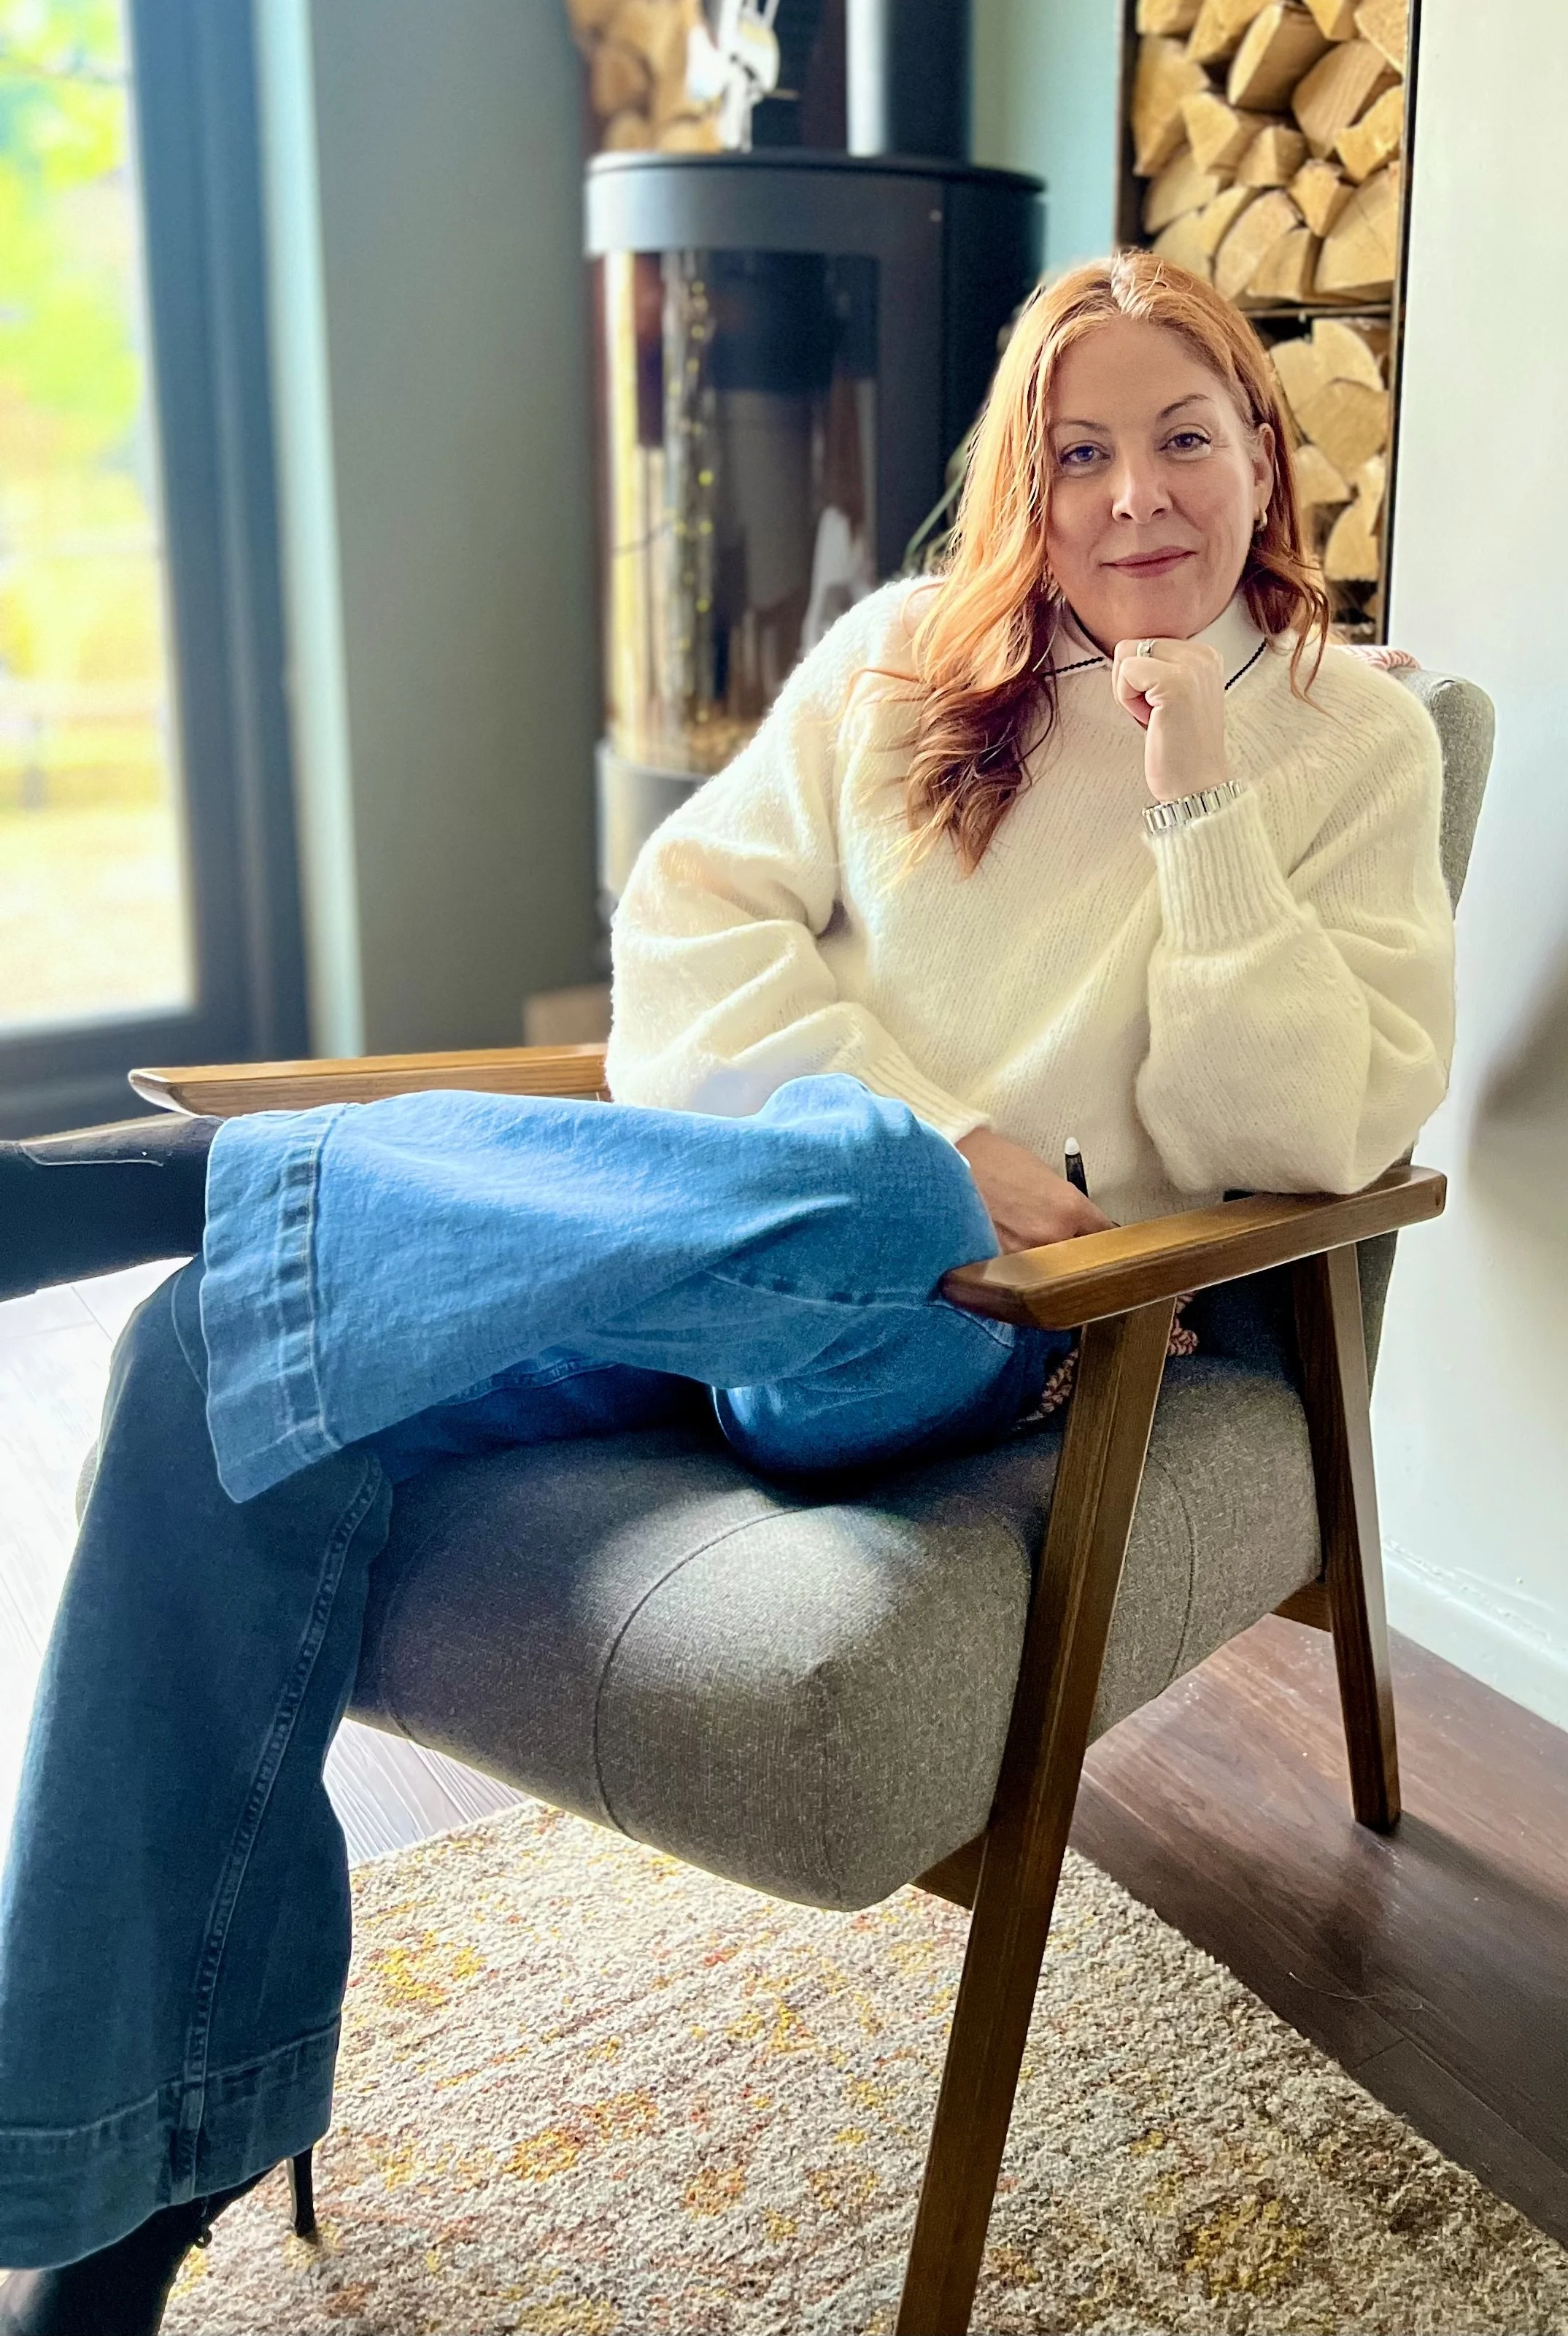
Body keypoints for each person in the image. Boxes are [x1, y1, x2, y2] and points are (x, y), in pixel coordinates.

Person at [0, 251, 1453, 2331]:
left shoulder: (1348, 747)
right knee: (201, 1366)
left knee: (868, 1192)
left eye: (1181, 438)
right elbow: (682, 942)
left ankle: (217, 1172)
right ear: (1018, 488)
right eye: (1074, 456)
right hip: (689, 1263)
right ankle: (116, 2208)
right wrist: (919, 1123)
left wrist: (1195, 778)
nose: (1134, 498)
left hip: (954, 1347)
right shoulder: (894, 666)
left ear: (1260, 454)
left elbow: (1303, 1129)